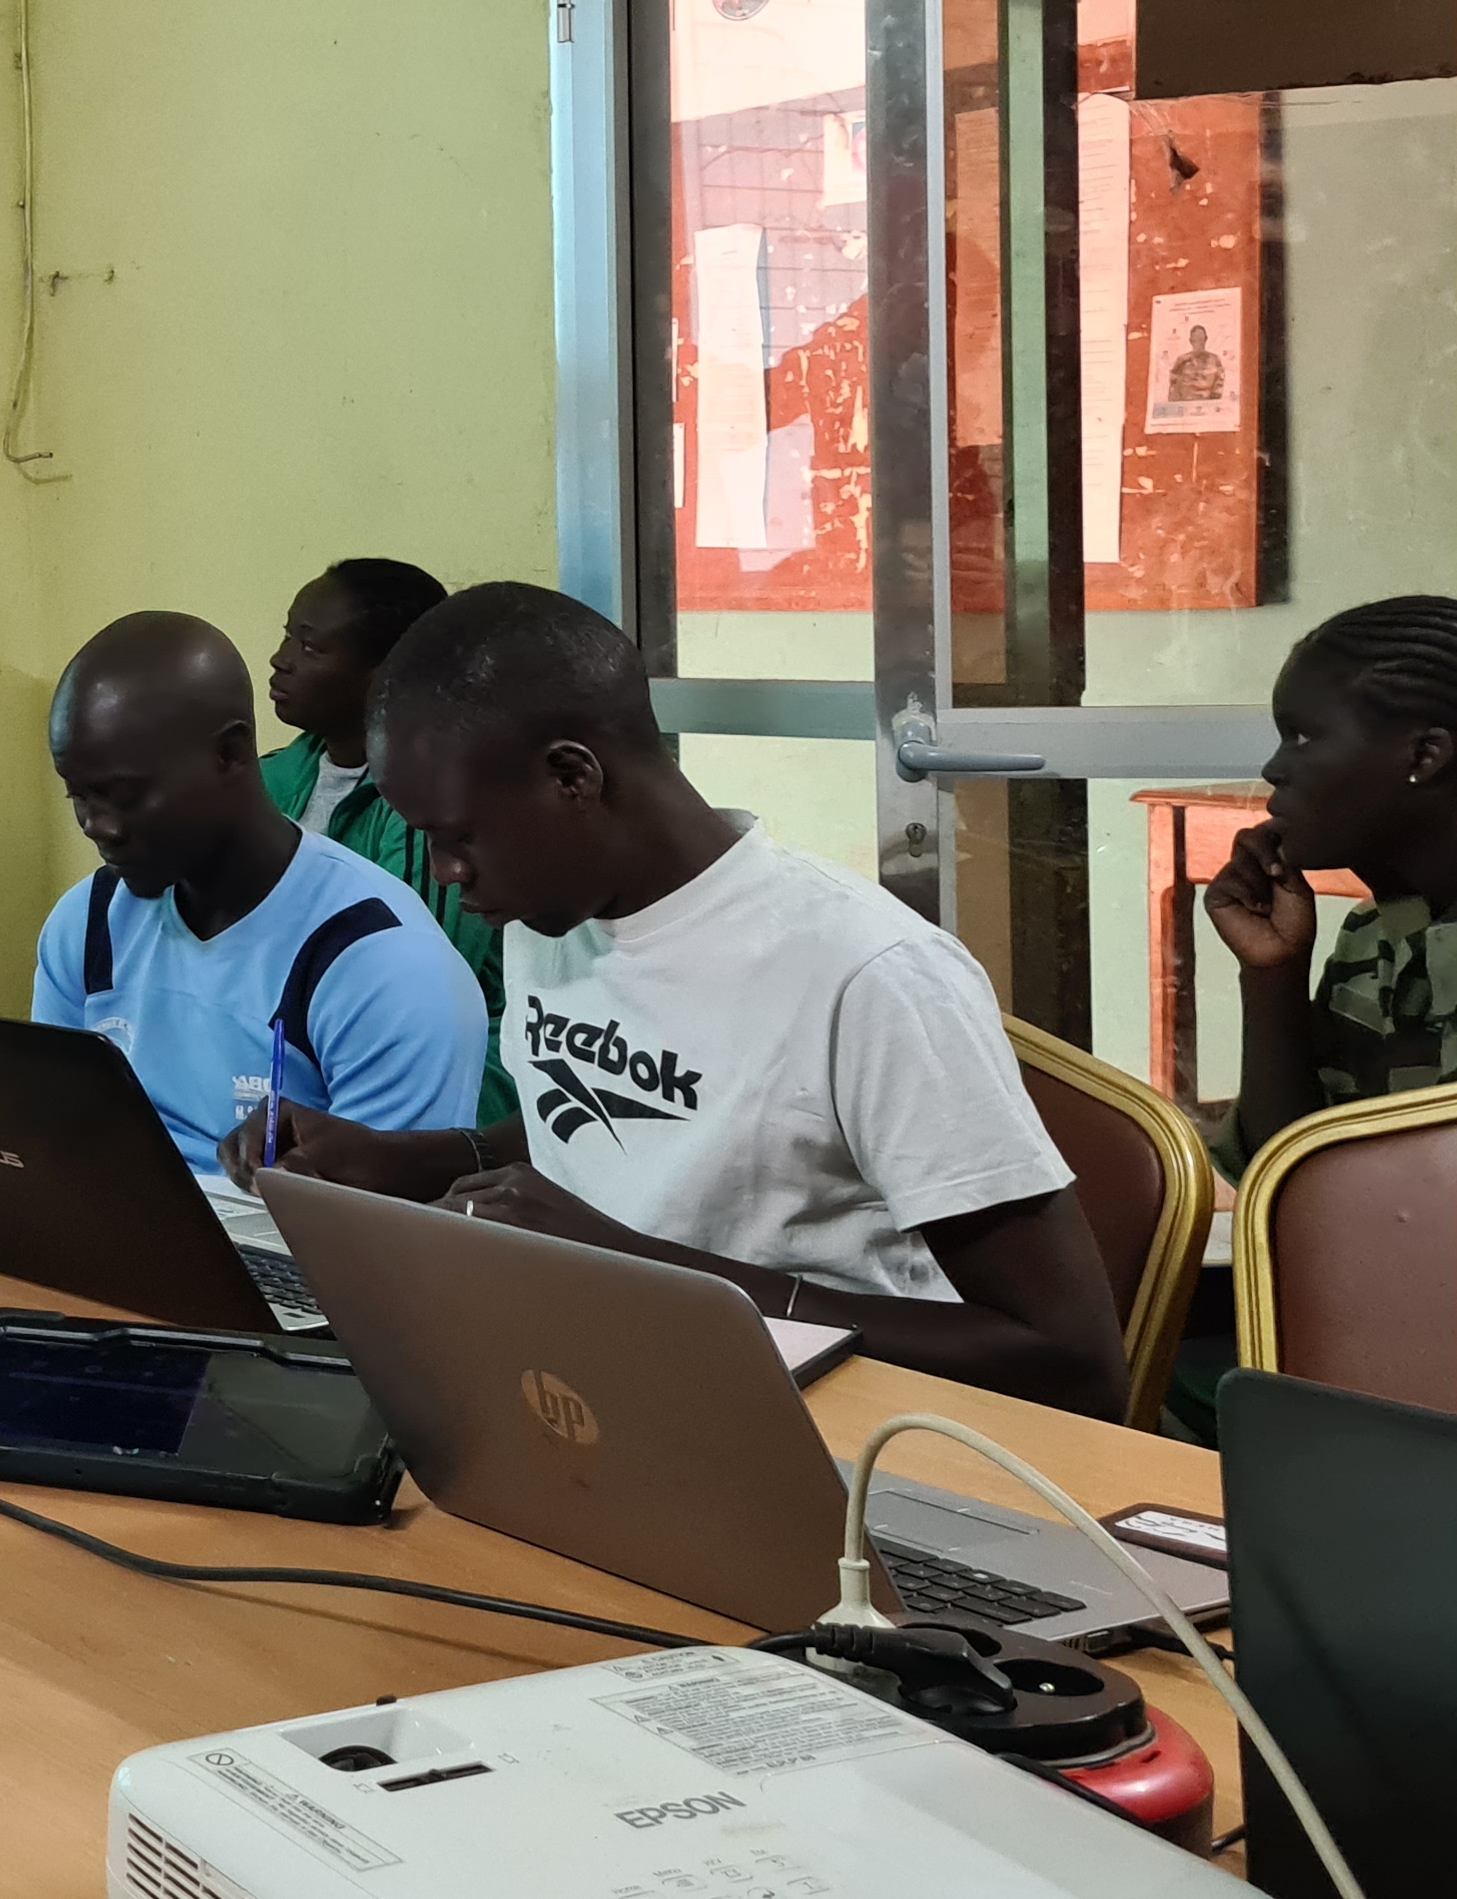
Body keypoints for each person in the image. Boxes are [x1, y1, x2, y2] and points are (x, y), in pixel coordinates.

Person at [233, 581, 1126, 1413]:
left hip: (830, 1442)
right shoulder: (552, 913)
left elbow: (1073, 1364)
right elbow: (642, 1132)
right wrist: (405, 1160)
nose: (447, 876)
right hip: (598, 1392)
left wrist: (631, 1271)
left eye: (459, 837)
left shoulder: (866, 975)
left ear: (572, 778)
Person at [31, 612, 493, 1174]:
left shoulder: (385, 964)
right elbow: (55, 1144)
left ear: (229, 753)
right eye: (76, 795)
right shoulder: (89, 922)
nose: (97, 826)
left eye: (124, 795)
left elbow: (382, 1239)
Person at [1205, 594, 1457, 1161]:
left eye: (1303, 737)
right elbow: (1289, 1177)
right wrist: (1274, 974)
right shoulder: (1376, 936)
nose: (1274, 768)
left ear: (1424, 756)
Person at [260, 556, 513, 1120]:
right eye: (287, 636)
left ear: (384, 676)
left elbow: (416, 988)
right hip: (303, 1042)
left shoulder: (429, 806)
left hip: (439, 1069)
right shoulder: (272, 778)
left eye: (310, 648)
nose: (280, 661)